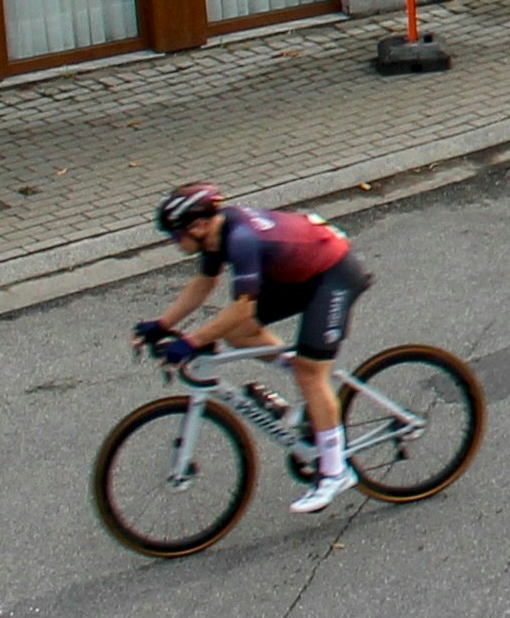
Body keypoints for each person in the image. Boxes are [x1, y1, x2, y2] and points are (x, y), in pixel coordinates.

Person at [138, 182, 374, 512]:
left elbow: (241, 308)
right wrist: (162, 325)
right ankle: (309, 384)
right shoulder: (216, 232)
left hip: (335, 273)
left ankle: (336, 472)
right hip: (301, 272)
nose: (175, 243)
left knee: (310, 375)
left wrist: (190, 343)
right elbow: (205, 283)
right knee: (239, 334)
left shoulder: (240, 240)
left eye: (176, 236)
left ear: (198, 225)